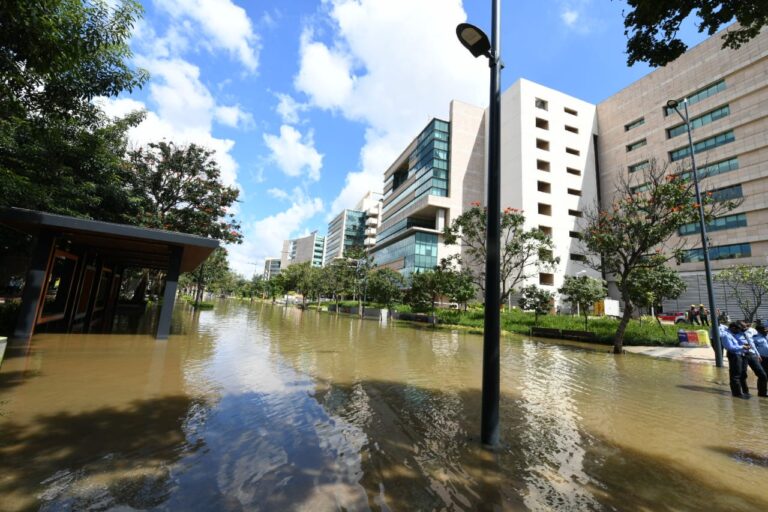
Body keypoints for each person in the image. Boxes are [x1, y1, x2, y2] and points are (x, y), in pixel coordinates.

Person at [720, 321, 767, 398]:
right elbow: (730, 347)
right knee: (739, 375)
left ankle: (762, 393)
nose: (744, 329)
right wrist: (742, 347)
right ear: (734, 328)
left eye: (746, 327)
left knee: (762, 374)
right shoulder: (727, 334)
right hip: (738, 355)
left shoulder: (744, 332)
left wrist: (757, 354)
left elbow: (751, 344)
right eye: (742, 328)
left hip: (750, 353)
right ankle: (740, 394)